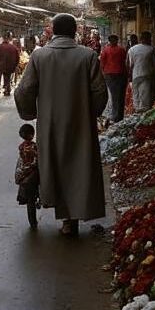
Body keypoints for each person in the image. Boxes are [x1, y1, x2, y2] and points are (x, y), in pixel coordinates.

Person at [14, 13, 108, 236]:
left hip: (49, 123)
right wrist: (90, 113)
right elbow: (100, 92)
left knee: (53, 164)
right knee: (78, 165)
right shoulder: (88, 56)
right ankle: (72, 217)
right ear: (74, 30)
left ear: (53, 30)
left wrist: (30, 113)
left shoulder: (40, 56)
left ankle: (63, 214)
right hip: (81, 123)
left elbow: (25, 90)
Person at [127, 32, 155, 112]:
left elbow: (129, 64)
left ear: (140, 39)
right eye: (150, 39)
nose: (151, 40)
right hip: (147, 75)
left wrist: (129, 77)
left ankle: (136, 110)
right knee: (146, 96)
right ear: (148, 39)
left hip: (135, 75)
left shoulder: (132, 49)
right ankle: (143, 113)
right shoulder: (151, 49)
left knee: (136, 95)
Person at [15, 124, 40, 228]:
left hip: (24, 176)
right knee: (33, 199)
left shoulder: (21, 147)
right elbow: (36, 161)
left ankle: (32, 222)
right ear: (32, 134)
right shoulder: (34, 147)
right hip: (33, 175)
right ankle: (34, 220)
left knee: (30, 201)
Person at [100, 35, 128, 122]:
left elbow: (102, 63)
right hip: (120, 74)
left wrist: (102, 73)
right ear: (117, 40)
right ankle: (119, 115)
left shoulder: (105, 50)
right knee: (120, 95)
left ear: (109, 41)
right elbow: (125, 61)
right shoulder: (121, 50)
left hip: (109, 74)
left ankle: (115, 115)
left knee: (114, 95)